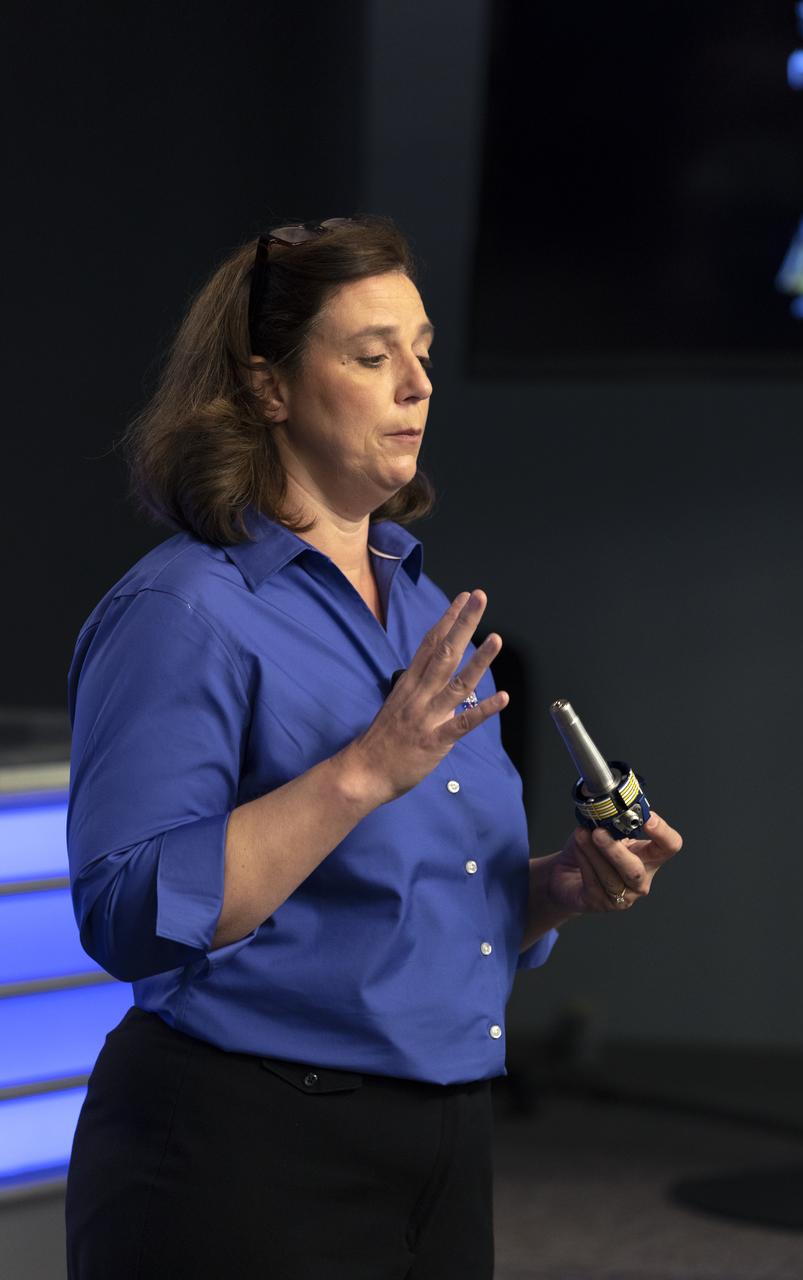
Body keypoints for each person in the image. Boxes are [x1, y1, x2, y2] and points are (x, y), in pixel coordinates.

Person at [64, 215, 683, 1280]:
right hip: (240, 1147)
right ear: (266, 388)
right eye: (370, 354)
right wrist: (359, 772)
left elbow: (409, 896)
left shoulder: (424, 608)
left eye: (424, 351)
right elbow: (123, 910)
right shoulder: (183, 610)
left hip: (441, 1141)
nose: (415, 383)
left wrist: (557, 887)